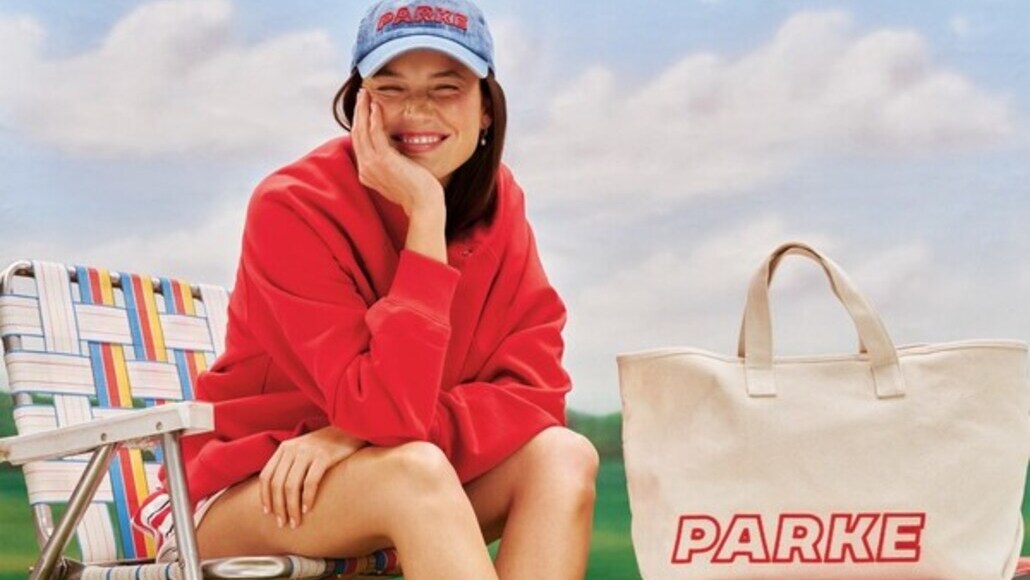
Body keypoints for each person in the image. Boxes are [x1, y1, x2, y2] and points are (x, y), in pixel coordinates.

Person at [132, 1, 599, 578]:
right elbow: (384, 411)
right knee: (414, 470)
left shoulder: (500, 206)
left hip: (394, 477)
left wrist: (346, 437)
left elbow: (536, 399)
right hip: (248, 493)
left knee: (562, 456)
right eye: (391, 87)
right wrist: (425, 218)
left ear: (485, 111)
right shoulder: (293, 207)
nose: (416, 111)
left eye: (446, 88)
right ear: (360, 104)